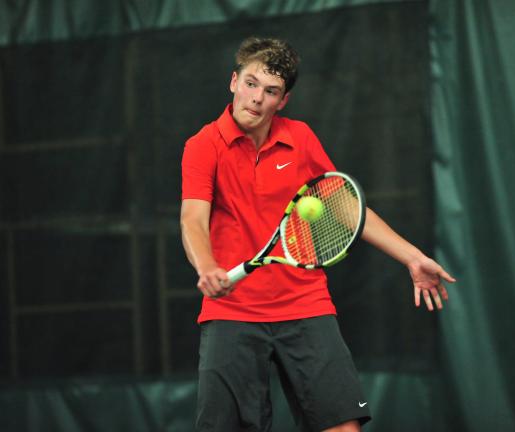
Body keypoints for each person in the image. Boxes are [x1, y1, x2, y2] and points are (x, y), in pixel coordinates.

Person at [180, 36, 456, 432]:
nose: (257, 98)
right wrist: (206, 266)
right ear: (234, 81)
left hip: (305, 304)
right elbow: (192, 218)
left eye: (271, 91)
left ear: (283, 100)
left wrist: (411, 256)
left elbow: (347, 208)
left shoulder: (301, 139)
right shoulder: (203, 146)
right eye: (251, 83)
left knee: (344, 428)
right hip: (232, 312)